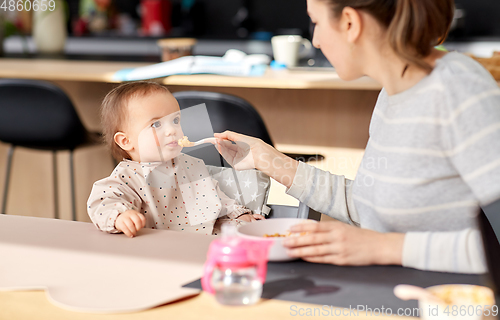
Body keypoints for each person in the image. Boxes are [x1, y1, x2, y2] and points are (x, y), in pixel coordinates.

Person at [213, 0, 500, 273]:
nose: (315, 41)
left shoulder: (460, 90)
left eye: (316, 22)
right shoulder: (393, 91)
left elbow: (494, 242)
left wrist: (385, 248)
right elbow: (369, 207)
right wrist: (270, 160)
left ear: (350, 22)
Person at [87, 81, 263, 237]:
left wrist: (238, 214)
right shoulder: (127, 177)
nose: (172, 130)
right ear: (126, 141)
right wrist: (119, 216)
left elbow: (214, 196)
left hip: (204, 237)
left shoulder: (190, 164)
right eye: (156, 124)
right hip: (158, 246)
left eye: (175, 120)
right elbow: (103, 201)